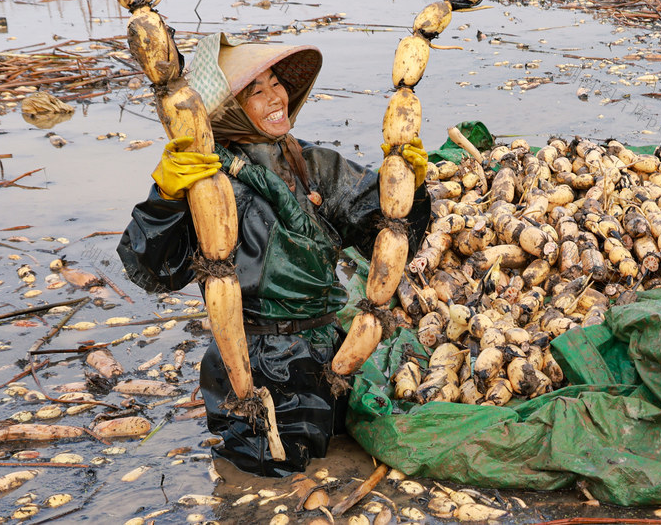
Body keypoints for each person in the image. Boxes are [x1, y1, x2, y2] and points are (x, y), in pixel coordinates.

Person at [117, 33, 430, 477]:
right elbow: (153, 269)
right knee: (261, 480)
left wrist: (408, 189)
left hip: (329, 354)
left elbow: (382, 237)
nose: (275, 97)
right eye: (256, 91)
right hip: (255, 364)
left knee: (337, 461)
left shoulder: (315, 165)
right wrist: (166, 197)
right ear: (229, 110)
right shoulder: (207, 182)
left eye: (275, 82)